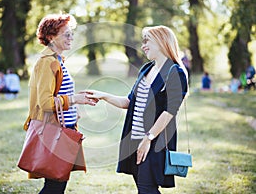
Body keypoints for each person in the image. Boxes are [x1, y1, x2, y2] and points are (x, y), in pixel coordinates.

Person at [86, 26, 188, 193]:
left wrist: (148, 139)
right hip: (134, 140)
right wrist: (103, 95)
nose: (143, 46)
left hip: (154, 142)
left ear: (161, 41)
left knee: (146, 188)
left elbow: (170, 112)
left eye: (147, 41)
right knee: (144, 188)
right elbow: (128, 102)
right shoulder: (146, 69)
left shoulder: (174, 71)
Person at [23, 13, 97, 194]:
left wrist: (77, 101)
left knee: (57, 184)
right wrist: (74, 100)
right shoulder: (47, 62)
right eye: (66, 34)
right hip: (52, 131)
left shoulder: (58, 60)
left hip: (64, 129)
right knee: (55, 186)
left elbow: (60, 93)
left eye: (71, 33)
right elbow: (45, 103)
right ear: (51, 37)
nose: (71, 37)